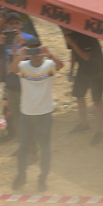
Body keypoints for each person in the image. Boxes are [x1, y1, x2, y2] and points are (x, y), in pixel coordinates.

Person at [10, 37, 64, 192]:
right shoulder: (23, 66)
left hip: (44, 113)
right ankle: (21, 176)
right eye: (31, 50)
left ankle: (42, 178)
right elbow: (12, 69)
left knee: (45, 147)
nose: (35, 54)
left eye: (37, 49)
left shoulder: (49, 64)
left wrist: (50, 54)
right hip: (27, 113)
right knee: (23, 146)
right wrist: (20, 56)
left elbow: (61, 65)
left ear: (41, 49)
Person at [63, 27, 103, 146]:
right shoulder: (69, 34)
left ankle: (100, 131)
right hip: (83, 69)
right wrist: (72, 70)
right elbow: (73, 52)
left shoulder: (85, 35)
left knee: (96, 101)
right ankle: (84, 124)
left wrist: (73, 43)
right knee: (79, 95)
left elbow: (86, 56)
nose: (62, 30)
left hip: (96, 69)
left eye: (63, 28)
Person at [0, 12, 34, 145]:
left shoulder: (30, 38)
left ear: (22, 24)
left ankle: (32, 145)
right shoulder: (4, 40)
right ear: (6, 25)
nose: (14, 25)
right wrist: (1, 45)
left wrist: (24, 43)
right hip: (12, 83)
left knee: (30, 115)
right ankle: (22, 145)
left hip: (28, 83)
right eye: (11, 23)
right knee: (16, 115)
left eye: (16, 23)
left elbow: (38, 57)